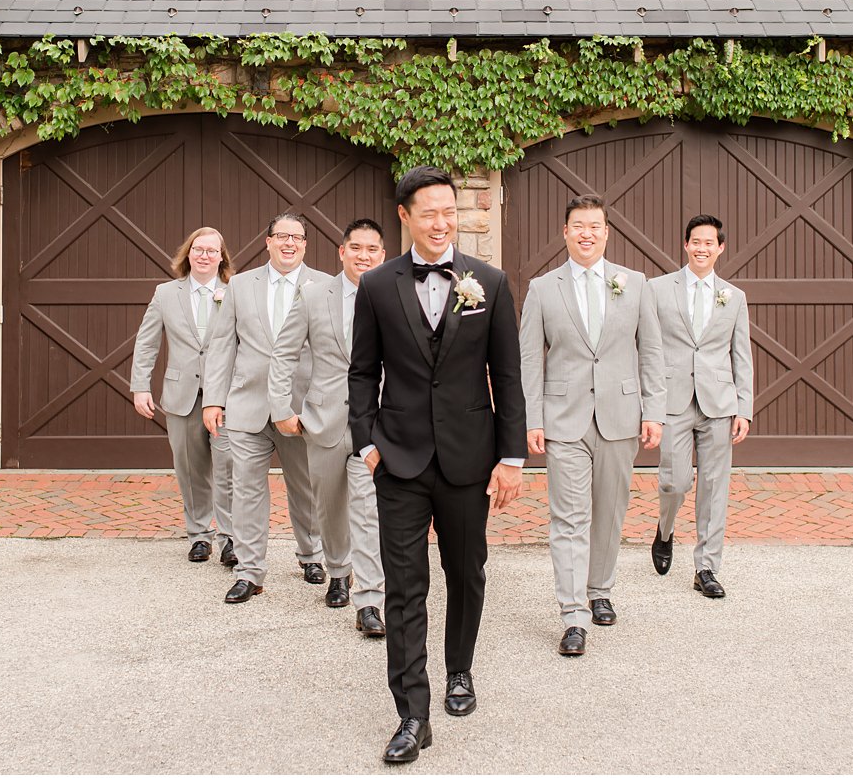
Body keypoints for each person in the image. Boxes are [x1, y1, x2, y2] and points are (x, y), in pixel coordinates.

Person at [347, 166, 525, 765]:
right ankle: (411, 714)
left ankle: (460, 672)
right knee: (405, 587)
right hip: (396, 458)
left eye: (449, 211)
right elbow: (361, 372)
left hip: (469, 460)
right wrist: (365, 442)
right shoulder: (376, 286)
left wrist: (510, 456)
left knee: (466, 573)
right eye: (429, 212)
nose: (442, 221)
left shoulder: (490, 282)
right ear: (405, 216)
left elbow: (507, 374)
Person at [518, 195, 663, 656]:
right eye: (578, 225)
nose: (587, 233)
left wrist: (654, 410)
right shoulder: (543, 289)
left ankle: (600, 590)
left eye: (595, 226)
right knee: (569, 516)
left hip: (621, 416)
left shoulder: (635, 283)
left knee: (610, 510)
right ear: (565, 232)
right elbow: (528, 360)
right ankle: (573, 614)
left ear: (606, 233)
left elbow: (652, 351)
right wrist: (533, 417)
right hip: (564, 420)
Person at [202, 214, 330, 604]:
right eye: (281, 236)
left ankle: (311, 556)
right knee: (246, 491)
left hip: (300, 406)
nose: (289, 243)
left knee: (306, 487)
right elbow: (223, 344)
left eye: (297, 237)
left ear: (305, 245)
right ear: (268, 241)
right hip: (247, 403)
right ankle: (249, 571)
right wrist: (213, 398)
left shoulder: (324, 286)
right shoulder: (240, 285)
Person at [271, 218, 389, 633]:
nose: (364, 256)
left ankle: (370, 598)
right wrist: (281, 407)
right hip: (322, 418)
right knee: (329, 504)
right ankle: (338, 571)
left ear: (382, 254)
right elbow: (284, 354)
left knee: (368, 507)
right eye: (355, 248)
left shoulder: (394, 294)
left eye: (372, 249)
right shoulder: (313, 294)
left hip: (375, 422)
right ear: (342, 252)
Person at [641, 214, 754, 599]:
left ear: (720, 248)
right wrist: (648, 404)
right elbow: (648, 350)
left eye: (710, 242)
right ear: (685, 245)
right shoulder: (656, 290)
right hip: (672, 400)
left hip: (719, 403)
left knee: (713, 486)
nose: (702, 248)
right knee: (674, 482)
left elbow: (742, 355)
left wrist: (744, 407)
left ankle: (706, 567)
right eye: (696, 241)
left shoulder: (734, 297)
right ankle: (665, 528)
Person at [129, 227, 236, 566]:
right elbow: (147, 342)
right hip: (181, 396)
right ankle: (199, 536)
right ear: (188, 254)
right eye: (198, 249)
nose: (204, 255)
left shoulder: (235, 292)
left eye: (211, 250)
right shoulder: (165, 294)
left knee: (229, 468)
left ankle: (231, 539)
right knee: (190, 469)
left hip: (226, 398)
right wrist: (140, 386)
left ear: (221, 258)